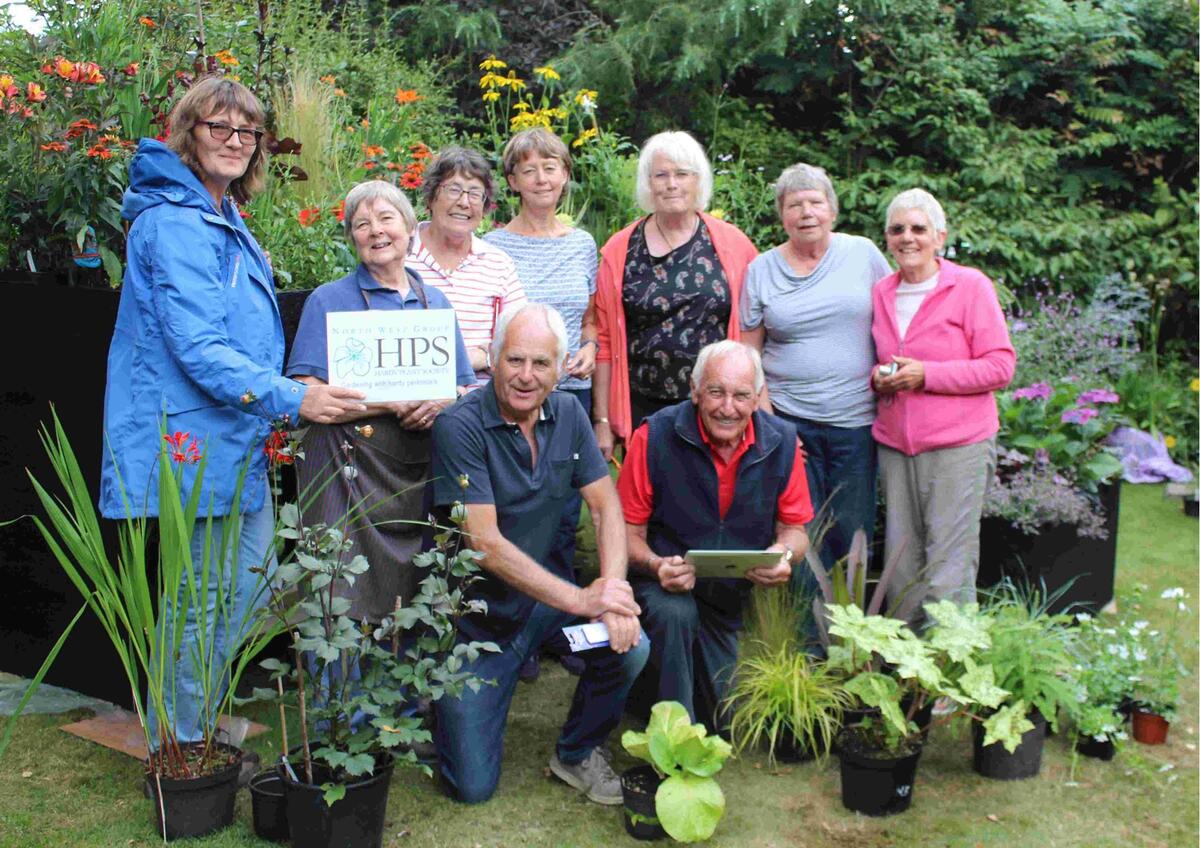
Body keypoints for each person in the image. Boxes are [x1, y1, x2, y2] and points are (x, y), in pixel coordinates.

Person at [100, 76, 366, 746]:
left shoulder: (217, 214)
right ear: (190, 133)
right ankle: (182, 747)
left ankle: (193, 726)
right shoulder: (178, 223)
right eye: (218, 127)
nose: (235, 141)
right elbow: (199, 348)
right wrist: (296, 397)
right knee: (201, 604)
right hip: (195, 437)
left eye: (247, 132)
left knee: (240, 592)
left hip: (231, 436)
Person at [429, 302, 649, 805]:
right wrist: (582, 600)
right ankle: (438, 701)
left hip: (542, 609)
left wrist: (612, 594)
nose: (526, 376)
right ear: (495, 358)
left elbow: (605, 506)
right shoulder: (458, 427)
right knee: (471, 788)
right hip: (474, 626)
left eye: (541, 364)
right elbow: (483, 544)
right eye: (515, 360)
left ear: (559, 367)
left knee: (629, 643)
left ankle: (575, 753)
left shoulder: (568, 413)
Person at [286, 179, 474, 630]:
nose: (376, 231)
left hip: (421, 470)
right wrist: (388, 402)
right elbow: (304, 391)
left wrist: (438, 402)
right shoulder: (328, 300)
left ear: (411, 229)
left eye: (387, 218)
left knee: (418, 596)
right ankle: (337, 699)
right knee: (340, 598)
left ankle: (410, 702)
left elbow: (465, 390)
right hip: (348, 474)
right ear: (352, 237)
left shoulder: (436, 302)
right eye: (362, 224)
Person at [618, 341, 813, 729]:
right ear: (694, 390)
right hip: (662, 588)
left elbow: (796, 531)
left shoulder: (782, 442)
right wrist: (657, 565)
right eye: (716, 392)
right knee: (676, 614)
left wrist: (782, 556)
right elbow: (623, 534)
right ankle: (676, 740)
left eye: (741, 395)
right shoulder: (654, 435)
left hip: (729, 598)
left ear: (757, 398)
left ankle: (646, 698)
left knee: (724, 719)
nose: (728, 407)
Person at [740, 163, 891, 584]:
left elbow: (895, 321)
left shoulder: (862, 254)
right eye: (794, 205)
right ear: (781, 214)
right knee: (799, 530)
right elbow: (749, 352)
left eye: (815, 202)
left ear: (832, 210)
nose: (806, 212)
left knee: (852, 531)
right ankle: (800, 640)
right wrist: (770, 424)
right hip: (790, 422)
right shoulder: (762, 269)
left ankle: (847, 638)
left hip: (856, 423)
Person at [484, 128, 600, 676]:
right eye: (528, 169)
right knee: (517, 523)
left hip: (568, 398)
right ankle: (519, 638)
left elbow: (591, 315)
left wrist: (593, 346)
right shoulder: (494, 245)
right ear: (511, 181)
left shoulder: (582, 243)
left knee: (560, 522)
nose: (541, 177)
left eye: (550, 166)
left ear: (565, 174)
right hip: (515, 401)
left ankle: (559, 632)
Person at [871, 188, 1015, 622]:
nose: (907, 237)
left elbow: (1000, 366)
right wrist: (880, 378)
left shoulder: (969, 286)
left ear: (940, 236)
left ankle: (949, 682)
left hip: (957, 446)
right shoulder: (883, 291)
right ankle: (906, 679)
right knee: (902, 569)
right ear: (887, 238)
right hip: (897, 447)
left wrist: (927, 375)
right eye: (897, 229)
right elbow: (882, 359)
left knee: (947, 570)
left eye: (919, 228)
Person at [593, 131, 758, 460]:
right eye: (661, 175)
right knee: (645, 504)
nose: (671, 184)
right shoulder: (620, 249)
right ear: (648, 184)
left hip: (716, 407)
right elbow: (605, 340)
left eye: (682, 174)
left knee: (713, 502)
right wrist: (603, 419)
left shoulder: (735, 245)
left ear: (699, 182)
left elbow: (754, 328)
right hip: (643, 405)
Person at [407, 145, 526, 386]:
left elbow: (519, 338)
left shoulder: (498, 264)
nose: (464, 202)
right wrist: (468, 357)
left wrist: (482, 357)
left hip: (480, 407)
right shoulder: (400, 255)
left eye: (475, 193)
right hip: (410, 397)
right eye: (453, 190)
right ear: (431, 197)